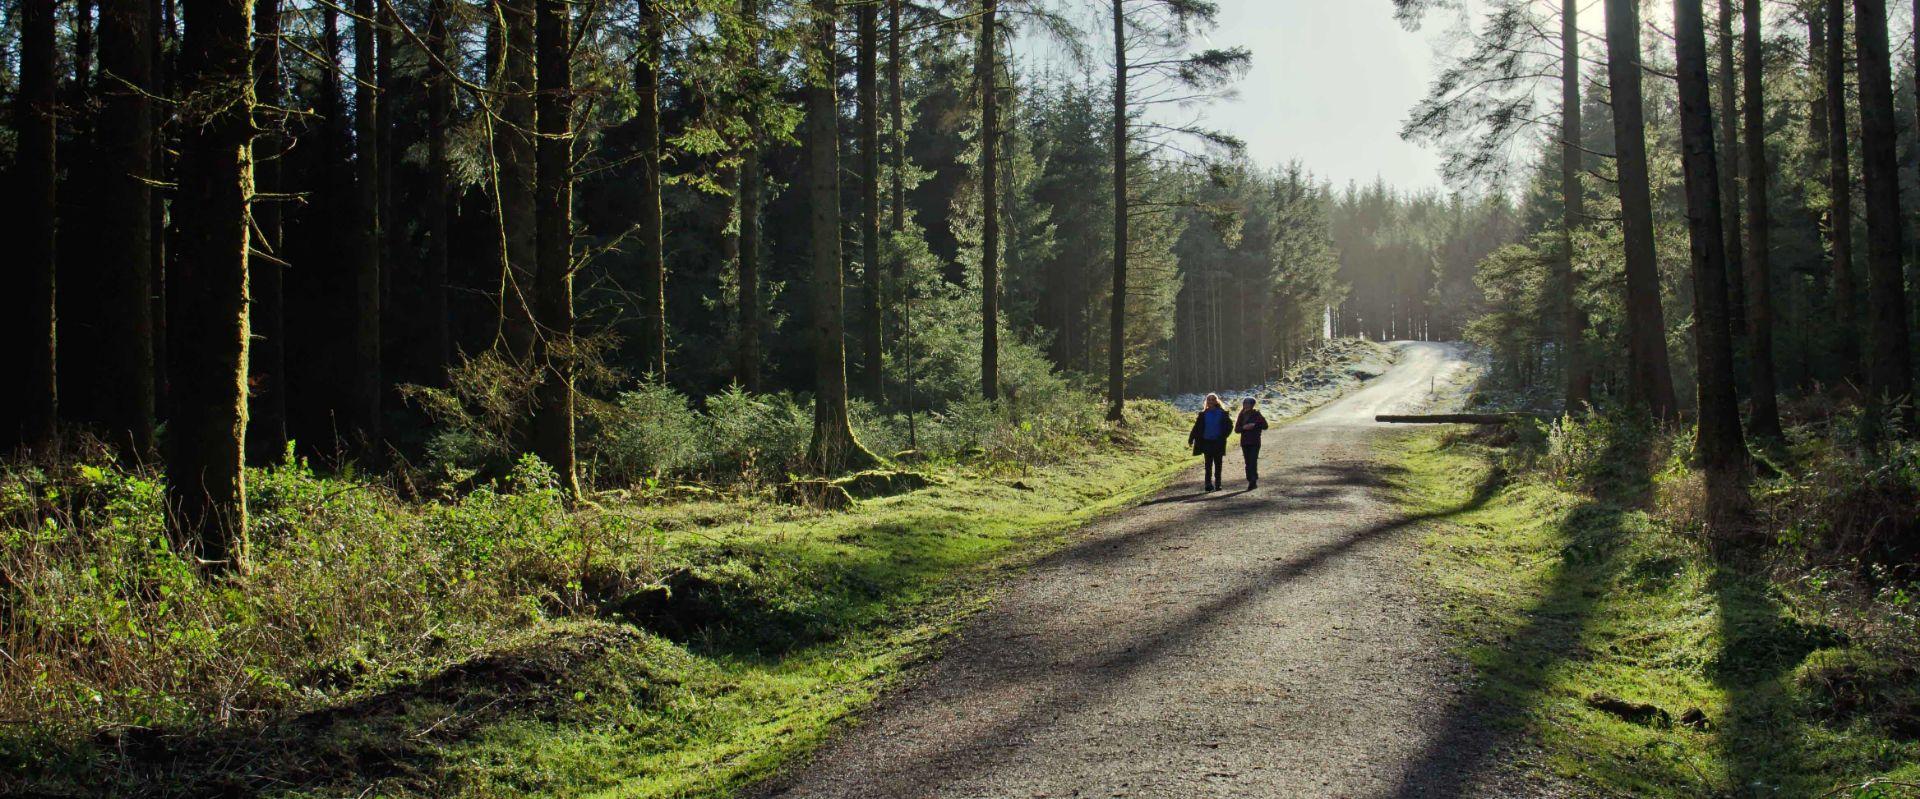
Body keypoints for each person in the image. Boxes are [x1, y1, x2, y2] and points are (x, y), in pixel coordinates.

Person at [1188, 393, 1233, 491]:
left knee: (1218, 464)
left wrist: (1223, 436)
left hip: (1218, 442)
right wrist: (1191, 438)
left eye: (1213, 399)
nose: (1211, 401)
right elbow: (1196, 428)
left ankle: (1218, 484)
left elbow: (1229, 426)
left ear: (1216, 401)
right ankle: (1208, 484)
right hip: (1206, 442)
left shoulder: (1222, 413)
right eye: (1209, 399)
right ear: (1206, 402)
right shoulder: (1203, 414)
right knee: (1208, 465)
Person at [1237, 396, 1269, 490]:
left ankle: (1253, 480)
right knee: (1247, 462)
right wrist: (1244, 428)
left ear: (1252, 405)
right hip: (1245, 442)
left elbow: (1265, 426)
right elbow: (1237, 429)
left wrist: (1254, 425)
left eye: (1248, 403)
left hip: (1255, 441)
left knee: (1253, 461)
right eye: (1245, 403)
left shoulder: (1257, 414)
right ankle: (1250, 478)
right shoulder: (1241, 415)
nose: (1246, 405)